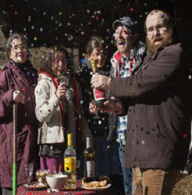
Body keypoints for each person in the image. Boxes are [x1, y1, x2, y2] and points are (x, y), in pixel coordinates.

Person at [91, 10, 191, 195]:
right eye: (151, 29)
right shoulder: (149, 59)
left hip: (159, 156)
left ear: (170, 29)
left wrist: (109, 83)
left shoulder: (173, 54)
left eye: (160, 27)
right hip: (140, 155)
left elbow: (139, 85)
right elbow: (139, 97)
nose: (156, 33)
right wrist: (117, 107)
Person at [0, 33, 38, 195]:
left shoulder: (33, 73)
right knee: (12, 185)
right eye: (16, 47)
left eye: (23, 47)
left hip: (30, 137)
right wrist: (9, 96)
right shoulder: (5, 74)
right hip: (11, 139)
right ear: (9, 52)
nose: (20, 51)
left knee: (29, 184)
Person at [35, 46, 90, 175]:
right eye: (56, 61)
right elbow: (40, 115)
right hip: (52, 146)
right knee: (55, 186)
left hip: (72, 143)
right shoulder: (43, 83)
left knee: (72, 184)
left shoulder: (73, 82)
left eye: (64, 61)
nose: (60, 65)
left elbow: (79, 112)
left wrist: (87, 136)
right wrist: (56, 97)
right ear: (49, 62)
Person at [77, 37, 122, 185]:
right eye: (97, 54)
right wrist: (87, 107)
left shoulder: (110, 74)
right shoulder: (81, 76)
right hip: (90, 131)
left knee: (111, 176)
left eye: (103, 54)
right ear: (89, 55)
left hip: (109, 129)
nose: (100, 57)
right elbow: (79, 101)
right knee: (92, 174)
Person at [109, 16, 146, 195]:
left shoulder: (143, 58)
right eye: (117, 32)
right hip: (122, 133)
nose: (119, 36)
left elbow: (138, 89)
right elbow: (116, 95)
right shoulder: (115, 61)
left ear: (135, 36)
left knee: (141, 185)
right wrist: (106, 104)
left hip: (141, 132)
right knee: (127, 185)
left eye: (124, 32)